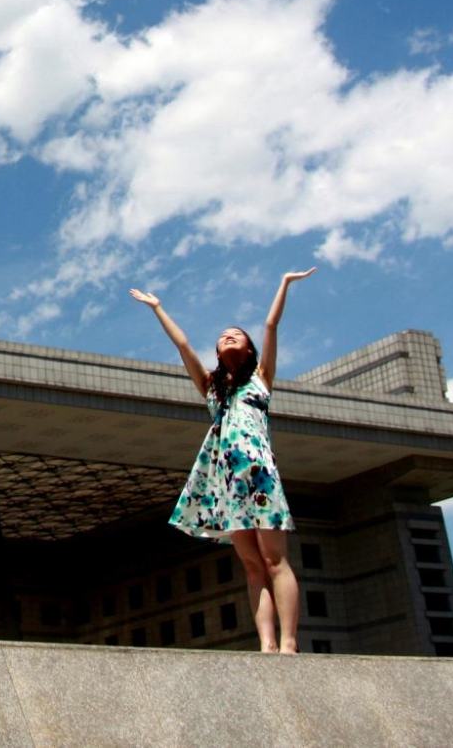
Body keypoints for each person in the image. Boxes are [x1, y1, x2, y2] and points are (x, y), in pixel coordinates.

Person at [130, 269, 315, 654]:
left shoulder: (261, 378)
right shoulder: (212, 388)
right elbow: (182, 346)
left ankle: (289, 642)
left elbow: (271, 324)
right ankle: (265, 644)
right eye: (222, 336)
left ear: (249, 350)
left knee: (274, 558)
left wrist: (283, 283)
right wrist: (157, 308)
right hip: (228, 483)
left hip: (259, 477)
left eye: (236, 335)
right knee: (251, 566)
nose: (228, 336)